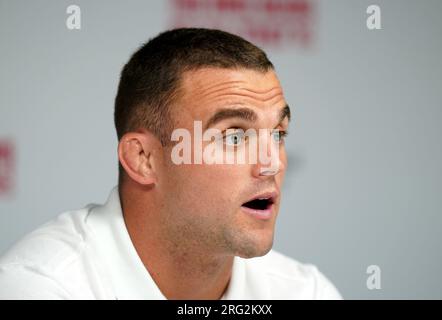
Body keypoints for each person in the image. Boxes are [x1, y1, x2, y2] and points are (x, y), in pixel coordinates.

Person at [0, 28, 341, 300]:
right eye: (235, 137)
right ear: (142, 159)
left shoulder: (304, 291)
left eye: (278, 134)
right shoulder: (41, 288)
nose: (272, 164)